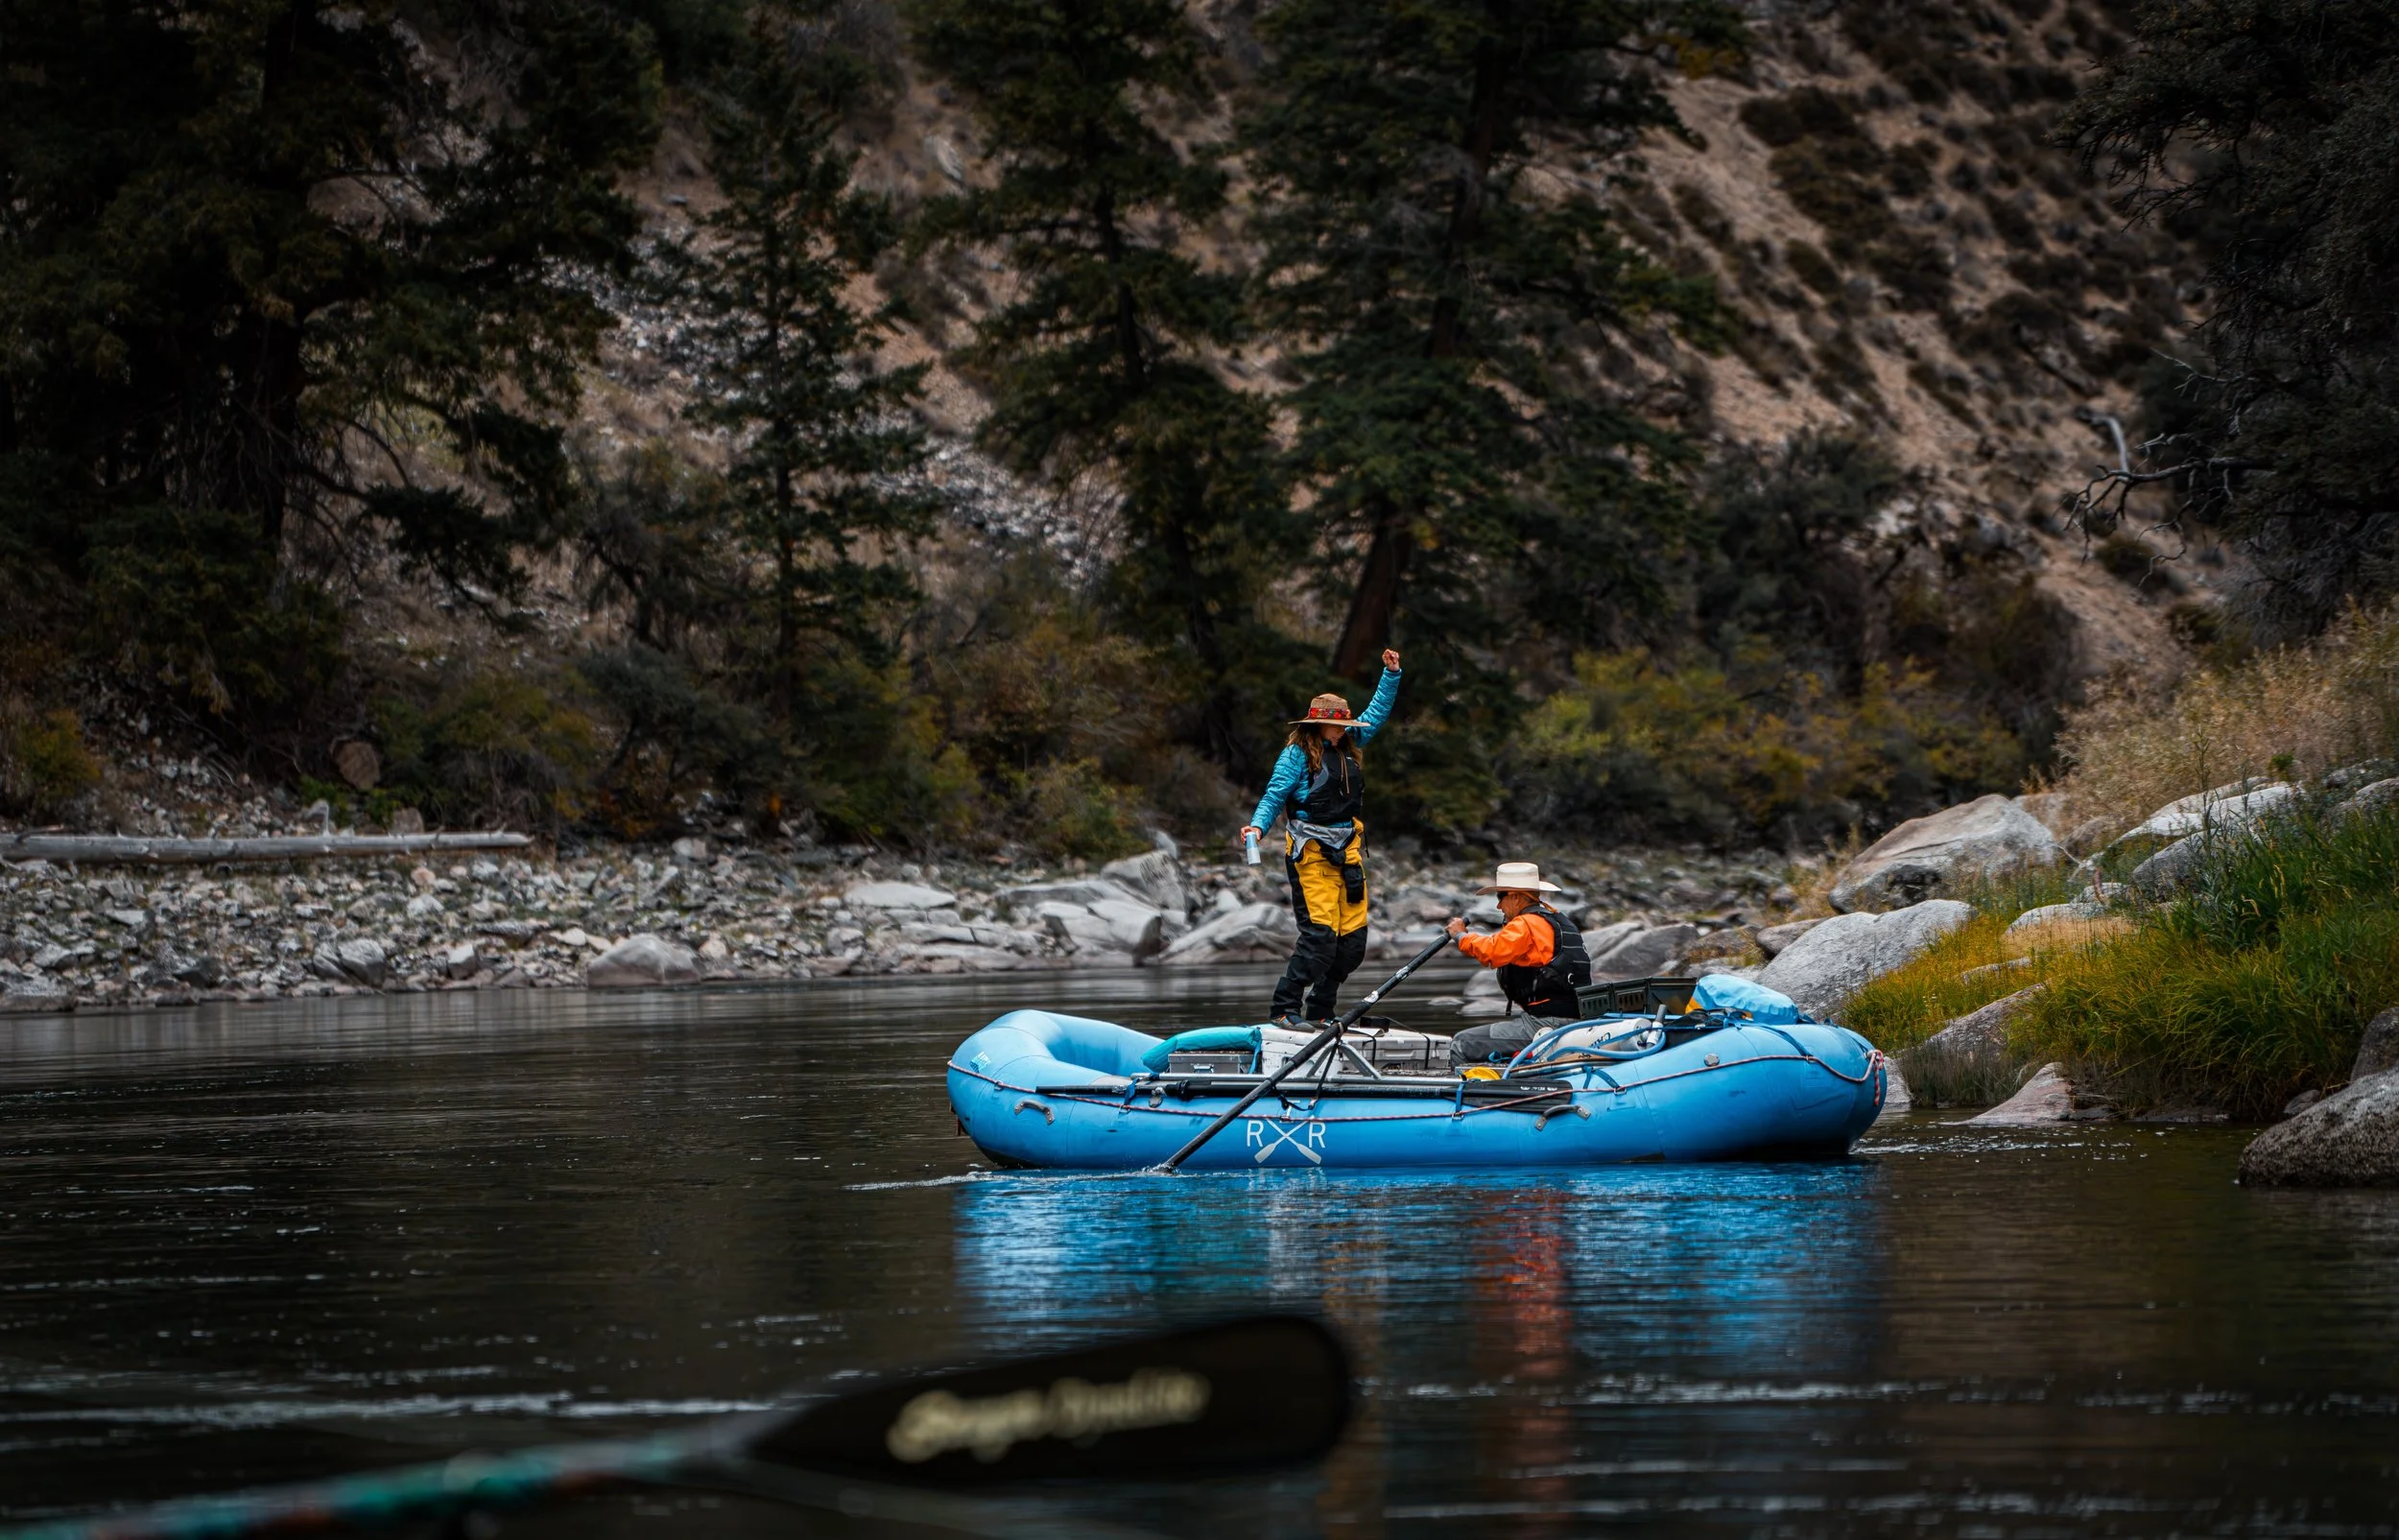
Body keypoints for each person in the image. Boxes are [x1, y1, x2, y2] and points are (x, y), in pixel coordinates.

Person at [1242, 649, 1403, 1024]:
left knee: (1352, 947)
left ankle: (1319, 1011)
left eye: (1347, 725)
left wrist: (1391, 674)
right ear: (1316, 725)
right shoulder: (1296, 755)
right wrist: (1257, 827)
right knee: (1319, 942)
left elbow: (1376, 714)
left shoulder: (1348, 746)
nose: (1345, 730)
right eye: (1338, 725)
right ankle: (1284, 1010)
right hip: (1310, 855)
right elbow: (1274, 794)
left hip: (1348, 855)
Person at [1445, 861, 1593, 1070]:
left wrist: (1460, 936)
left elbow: (1491, 951)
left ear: (1515, 897)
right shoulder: (1559, 920)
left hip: (1545, 1024)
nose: (1498, 906)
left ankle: (1463, 1097)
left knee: (1461, 1043)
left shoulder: (1526, 924)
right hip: (1577, 1020)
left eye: (1500, 897)